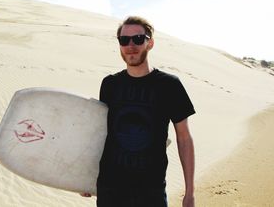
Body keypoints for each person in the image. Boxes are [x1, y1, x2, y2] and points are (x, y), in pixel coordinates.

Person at [81, 16, 196, 207]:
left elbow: (184, 138)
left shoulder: (169, 85)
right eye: (124, 40)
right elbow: (101, 133)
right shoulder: (110, 84)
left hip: (150, 192)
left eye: (138, 39)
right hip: (110, 190)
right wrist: (85, 177)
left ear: (150, 43)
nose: (131, 45)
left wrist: (190, 192)